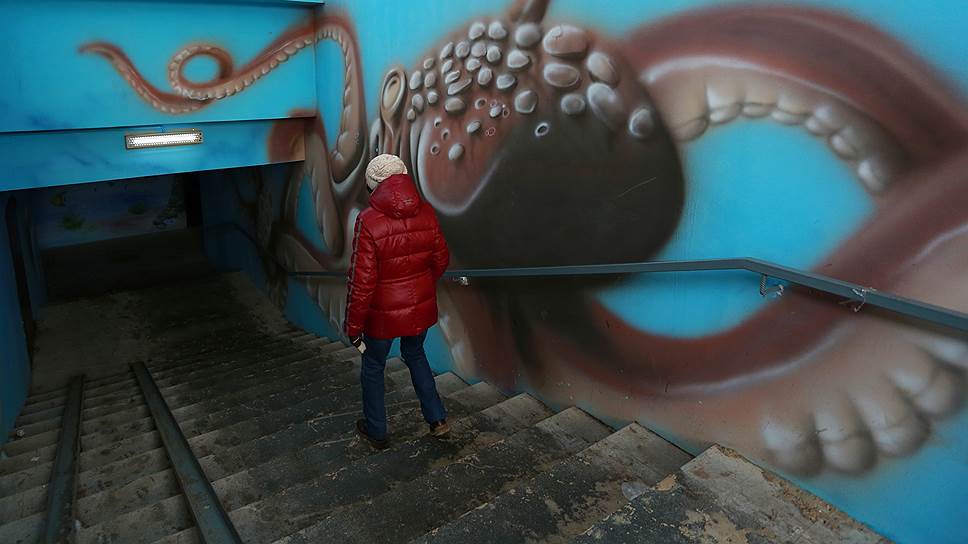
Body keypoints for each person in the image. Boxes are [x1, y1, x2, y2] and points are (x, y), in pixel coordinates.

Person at [345, 154, 451, 450]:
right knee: (415, 354)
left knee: (373, 365)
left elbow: (362, 281)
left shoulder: (368, 221)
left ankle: (377, 431)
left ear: (372, 185)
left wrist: (353, 326)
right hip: (419, 308)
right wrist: (420, 285)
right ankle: (437, 419)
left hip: (382, 317)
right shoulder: (426, 212)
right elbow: (441, 259)